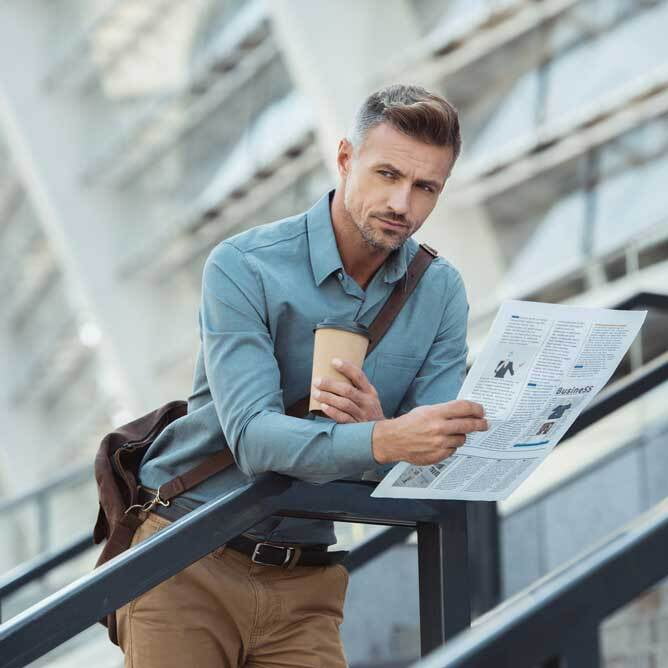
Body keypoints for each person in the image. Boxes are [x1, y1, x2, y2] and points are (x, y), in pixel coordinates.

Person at [117, 83, 488, 668]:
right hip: (187, 556)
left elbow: (433, 455)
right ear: (345, 158)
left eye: (426, 188)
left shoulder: (441, 292)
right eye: (387, 174)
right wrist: (384, 439)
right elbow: (254, 438)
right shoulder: (244, 266)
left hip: (306, 578)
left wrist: (389, 433)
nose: (403, 204)